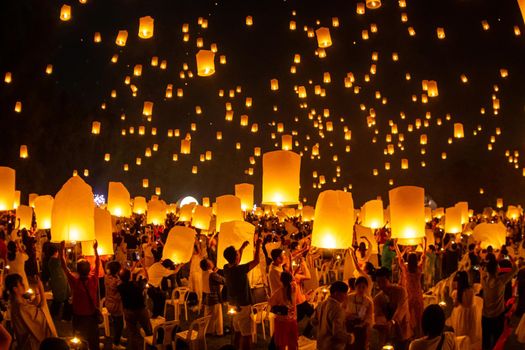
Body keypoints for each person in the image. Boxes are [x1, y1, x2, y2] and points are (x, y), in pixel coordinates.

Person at [223, 237, 262, 350]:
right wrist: (258, 245)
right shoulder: (239, 270)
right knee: (246, 334)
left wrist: (242, 248)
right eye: (237, 254)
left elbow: (236, 260)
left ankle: (236, 347)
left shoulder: (226, 268)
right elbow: (256, 261)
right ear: (235, 258)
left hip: (233, 305)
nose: (238, 255)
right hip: (243, 305)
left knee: (238, 331)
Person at [60, 240, 100, 350]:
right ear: (89, 269)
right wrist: (95, 250)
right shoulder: (94, 280)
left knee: (80, 340)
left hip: (78, 316)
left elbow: (63, 265)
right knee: (93, 341)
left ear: (77, 270)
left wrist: (61, 248)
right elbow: (97, 264)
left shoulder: (74, 282)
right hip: (91, 316)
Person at [5, 273, 54, 349]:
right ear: (15, 289)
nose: (23, 285)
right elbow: (42, 310)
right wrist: (41, 289)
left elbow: (32, 306)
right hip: (31, 344)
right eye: (21, 284)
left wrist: (37, 291)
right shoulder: (20, 307)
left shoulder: (17, 302)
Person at [480, 257, 518, 350]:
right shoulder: (501, 280)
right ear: (497, 269)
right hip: (497, 316)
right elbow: (515, 269)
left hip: (485, 316)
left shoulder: (483, 280)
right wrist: (512, 260)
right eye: (498, 267)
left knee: (486, 341)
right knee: (497, 341)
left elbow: (482, 270)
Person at [374, 267, 412, 349]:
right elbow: (378, 313)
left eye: (383, 281)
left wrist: (392, 322)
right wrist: (382, 322)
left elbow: (401, 309)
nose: (381, 285)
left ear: (389, 279)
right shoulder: (378, 298)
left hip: (402, 331)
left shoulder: (401, 291)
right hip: (387, 334)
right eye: (378, 282)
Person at [311, 281, 354, 350]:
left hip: (321, 343)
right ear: (336, 293)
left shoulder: (321, 304)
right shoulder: (337, 309)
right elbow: (337, 332)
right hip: (332, 346)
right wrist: (350, 338)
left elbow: (313, 321)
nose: (346, 296)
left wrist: (323, 327)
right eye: (345, 293)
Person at [395, 241, 425, 337]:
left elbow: (399, 258)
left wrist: (396, 245)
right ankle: (420, 334)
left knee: (408, 316)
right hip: (418, 295)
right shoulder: (419, 269)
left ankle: (409, 334)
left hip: (409, 295)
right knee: (419, 317)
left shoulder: (405, 269)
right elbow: (424, 256)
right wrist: (425, 242)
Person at [118, 268, 152, 350]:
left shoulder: (120, 287)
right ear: (129, 276)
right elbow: (147, 278)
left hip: (128, 311)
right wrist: (144, 268)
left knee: (133, 333)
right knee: (148, 329)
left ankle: (135, 348)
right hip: (141, 309)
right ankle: (151, 346)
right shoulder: (137, 284)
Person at [447, 270, 480, 347]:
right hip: (471, 312)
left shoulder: (458, 292)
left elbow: (455, 305)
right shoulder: (471, 290)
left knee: (461, 332)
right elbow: (471, 302)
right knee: (469, 332)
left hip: (462, 313)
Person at [269, 271, 298, 350]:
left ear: (281, 280)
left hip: (282, 321)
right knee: (292, 342)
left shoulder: (278, 292)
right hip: (292, 320)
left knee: (281, 343)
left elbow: (271, 302)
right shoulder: (294, 288)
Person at [146, 249, 178, 317]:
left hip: (149, 286)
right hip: (152, 288)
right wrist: (181, 265)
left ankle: (158, 315)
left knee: (160, 299)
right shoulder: (162, 270)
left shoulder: (157, 264)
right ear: (167, 267)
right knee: (158, 301)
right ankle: (156, 316)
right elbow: (175, 271)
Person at [346, 276, 374, 350]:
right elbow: (341, 312)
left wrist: (363, 324)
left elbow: (369, 317)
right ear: (355, 287)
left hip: (361, 329)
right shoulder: (348, 298)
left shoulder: (368, 302)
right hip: (348, 328)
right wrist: (348, 316)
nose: (361, 289)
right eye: (359, 287)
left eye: (363, 287)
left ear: (367, 288)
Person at [200, 258, 225, 336]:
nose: (211, 261)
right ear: (208, 265)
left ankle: (208, 331)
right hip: (214, 297)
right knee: (217, 316)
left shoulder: (204, 273)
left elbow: (209, 279)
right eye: (210, 261)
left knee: (208, 315)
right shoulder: (213, 274)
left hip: (207, 297)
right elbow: (223, 281)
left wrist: (214, 272)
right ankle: (219, 332)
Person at [104, 261, 124, 350]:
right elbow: (121, 291)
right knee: (119, 324)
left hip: (109, 303)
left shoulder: (107, 277)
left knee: (116, 322)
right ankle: (116, 344)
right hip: (116, 305)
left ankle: (118, 337)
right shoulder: (117, 281)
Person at [47, 244, 69, 319]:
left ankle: (56, 314)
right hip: (61, 282)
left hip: (57, 282)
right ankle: (65, 316)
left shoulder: (51, 261)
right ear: (56, 252)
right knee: (62, 299)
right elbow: (63, 261)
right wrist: (62, 249)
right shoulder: (55, 261)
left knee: (59, 299)